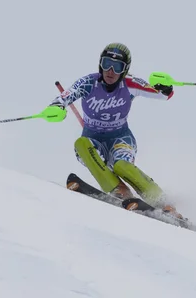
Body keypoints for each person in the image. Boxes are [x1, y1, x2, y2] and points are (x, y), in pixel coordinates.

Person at [40, 42, 183, 219]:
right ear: (100, 64)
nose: (110, 71)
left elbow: (162, 94)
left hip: (120, 140)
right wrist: (56, 107)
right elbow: (66, 96)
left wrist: (165, 86)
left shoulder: (129, 84)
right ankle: (120, 191)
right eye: (107, 64)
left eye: (117, 67)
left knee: (121, 165)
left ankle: (166, 205)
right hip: (94, 141)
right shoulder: (89, 82)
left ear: (125, 69)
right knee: (81, 144)